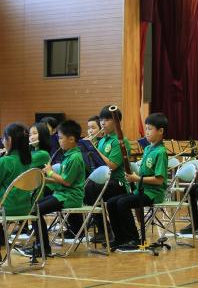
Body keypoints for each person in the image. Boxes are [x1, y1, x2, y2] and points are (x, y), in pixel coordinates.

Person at [22, 120, 85, 257]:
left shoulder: (75, 157)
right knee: (34, 208)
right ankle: (41, 245)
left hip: (70, 197)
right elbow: (61, 181)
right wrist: (44, 178)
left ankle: (43, 247)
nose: (59, 141)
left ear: (72, 139)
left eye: (61, 138)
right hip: (62, 194)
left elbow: (67, 182)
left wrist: (50, 172)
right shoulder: (68, 155)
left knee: (35, 210)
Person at [106, 113, 169, 250]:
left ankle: (134, 239)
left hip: (153, 193)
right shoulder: (147, 148)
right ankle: (120, 238)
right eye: (145, 128)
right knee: (111, 202)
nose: (146, 132)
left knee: (123, 203)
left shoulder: (161, 152)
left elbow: (159, 180)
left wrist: (137, 178)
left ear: (161, 131)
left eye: (149, 129)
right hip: (141, 190)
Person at [85, 105, 131, 243]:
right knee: (85, 187)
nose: (103, 123)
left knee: (91, 188)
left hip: (118, 182)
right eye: (101, 119)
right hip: (104, 181)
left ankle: (105, 229)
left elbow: (111, 166)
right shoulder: (103, 140)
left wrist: (93, 149)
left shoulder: (120, 141)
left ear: (116, 121)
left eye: (107, 119)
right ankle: (103, 228)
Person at [0, 123, 33, 245]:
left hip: (6, 209)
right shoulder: (27, 161)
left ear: (10, 140)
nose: (2, 141)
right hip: (25, 208)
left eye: (4, 138)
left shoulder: (5, 161)